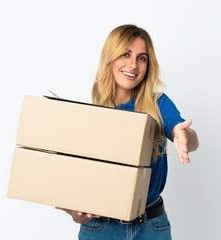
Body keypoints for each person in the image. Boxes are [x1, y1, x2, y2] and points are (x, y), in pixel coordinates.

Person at [57, 24, 199, 239]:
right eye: (125, 54)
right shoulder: (90, 115)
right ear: (110, 58)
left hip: (151, 227)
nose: (133, 65)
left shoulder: (158, 104)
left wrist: (183, 135)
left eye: (142, 58)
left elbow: (183, 132)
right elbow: (79, 194)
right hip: (100, 229)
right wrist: (78, 215)